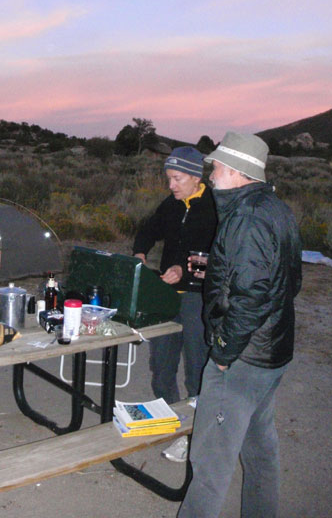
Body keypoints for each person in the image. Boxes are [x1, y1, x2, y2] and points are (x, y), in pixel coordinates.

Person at [177, 132, 302, 518]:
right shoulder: (274, 208)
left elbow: (253, 296)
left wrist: (224, 353)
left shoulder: (247, 217)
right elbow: (288, 282)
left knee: (210, 465)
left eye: (215, 167)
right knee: (260, 450)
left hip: (243, 358)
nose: (210, 174)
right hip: (271, 351)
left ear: (234, 171)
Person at [132, 146, 217, 462]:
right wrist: (140, 252)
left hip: (197, 297)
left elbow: (213, 253)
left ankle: (196, 435)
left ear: (195, 176)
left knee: (197, 367)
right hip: (167, 298)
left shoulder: (215, 206)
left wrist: (183, 267)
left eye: (176, 178)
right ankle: (173, 426)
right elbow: (148, 229)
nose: (171, 185)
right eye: (168, 178)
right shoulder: (172, 204)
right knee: (161, 367)